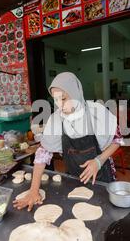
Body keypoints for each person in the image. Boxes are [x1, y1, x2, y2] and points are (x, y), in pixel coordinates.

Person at [13, 72, 123, 211]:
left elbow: (117, 140)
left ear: (76, 93)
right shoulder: (56, 120)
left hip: (102, 175)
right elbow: (42, 155)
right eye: (56, 99)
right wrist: (34, 191)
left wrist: (98, 161)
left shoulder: (96, 112)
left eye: (64, 98)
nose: (60, 105)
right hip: (74, 177)